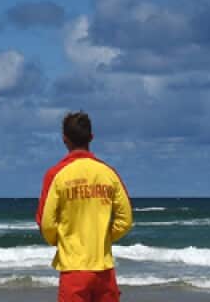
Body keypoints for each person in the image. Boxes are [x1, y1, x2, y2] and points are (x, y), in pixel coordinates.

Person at [36, 111, 134, 302]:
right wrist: (103, 237)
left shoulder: (56, 174)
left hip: (73, 270)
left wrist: (63, 241)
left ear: (65, 139)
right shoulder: (108, 173)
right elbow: (126, 220)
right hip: (104, 270)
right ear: (91, 137)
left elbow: (46, 223)